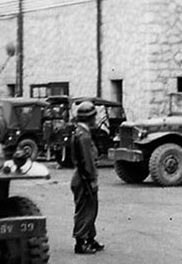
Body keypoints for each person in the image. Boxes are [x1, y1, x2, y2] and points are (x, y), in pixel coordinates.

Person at [72, 101, 104, 254]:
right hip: (84, 177)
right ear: (89, 118)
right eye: (93, 117)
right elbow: (88, 160)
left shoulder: (80, 132)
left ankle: (90, 238)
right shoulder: (83, 135)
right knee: (85, 209)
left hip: (81, 175)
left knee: (91, 208)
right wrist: (92, 180)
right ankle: (81, 242)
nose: (95, 119)